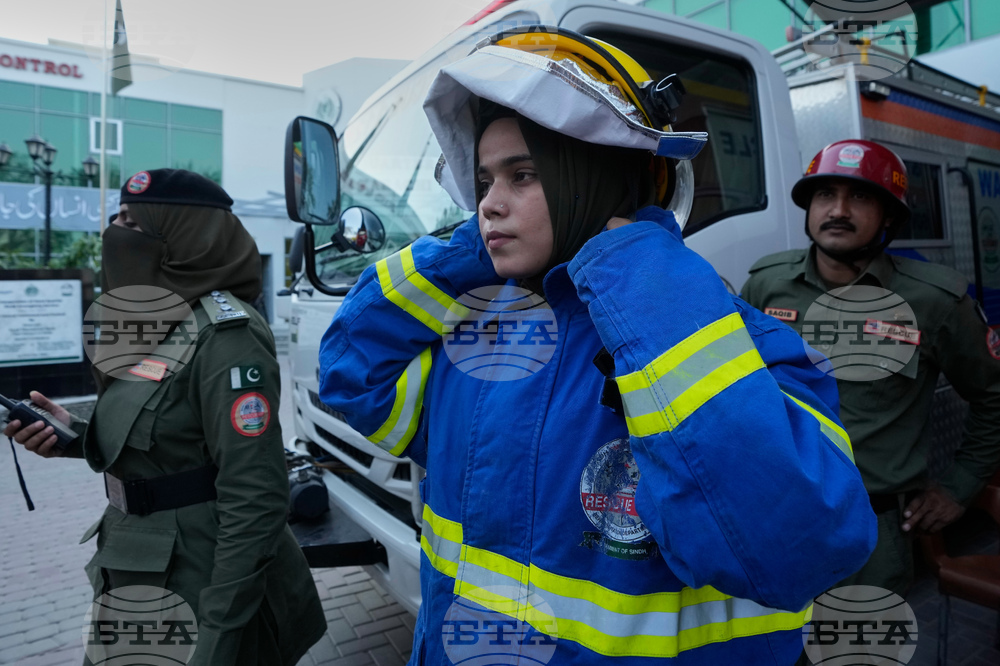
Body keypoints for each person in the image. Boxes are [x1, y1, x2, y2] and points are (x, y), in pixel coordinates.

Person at [319, 26, 875, 664]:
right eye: (483, 182)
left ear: (597, 176)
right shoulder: (480, 337)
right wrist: (465, 252)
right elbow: (351, 373)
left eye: (523, 175)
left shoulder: (742, 347)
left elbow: (794, 553)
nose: (488, 206)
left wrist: (636, 274)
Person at [3, 169, 325, 665]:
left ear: (186, 235)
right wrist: (73, 435)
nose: (115, 234)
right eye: (117, 219)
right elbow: (166, 435)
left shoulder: (227, 334)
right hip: (134, 563)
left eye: (133, 223)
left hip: (199, 577)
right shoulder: (158, 324)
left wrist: (218, 636)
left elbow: (256, 497)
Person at [742, 140, 1000, 596]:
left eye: (860, 197)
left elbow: (993, 396)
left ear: (889, 218)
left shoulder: (934, 300)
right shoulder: (766, 285)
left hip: (870, 537)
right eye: (825, 194)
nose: (838, 210)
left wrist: (959, 488)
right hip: (773, 519)